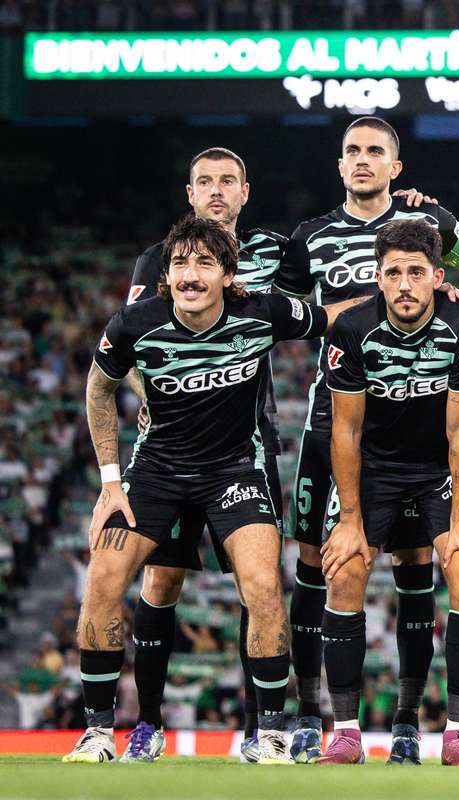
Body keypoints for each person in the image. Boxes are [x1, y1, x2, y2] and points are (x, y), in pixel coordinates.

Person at [62, 216, 357, 764]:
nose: (190, 275)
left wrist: (407, 294)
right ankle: (98, 731)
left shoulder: (262, 313)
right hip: (155, 472)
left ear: (227, 274)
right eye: (179, 263)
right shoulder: (133, 324)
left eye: (204, 263)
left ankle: (270, 734)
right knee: (102, 578)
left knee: (263, 586)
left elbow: (333, 316)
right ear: (166, 275)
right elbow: (98, 389)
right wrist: (109, 481)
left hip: (234, 472)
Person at [273, 116, 459, 764]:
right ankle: (317, 719)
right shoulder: (310, 237)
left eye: (376, 151)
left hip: (427, 440)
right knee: (321, 567)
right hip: (342, 422)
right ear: (340, 163)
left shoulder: (434, 226)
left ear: (397, 166)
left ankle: (413, 723)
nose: (364, 160)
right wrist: (335, 316)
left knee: (424, 570)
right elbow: (281, 314)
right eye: (353, 150)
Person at [121, 146, 284, 764]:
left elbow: (323, 306)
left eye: (227, 181)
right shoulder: (155, 261)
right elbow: (129, 346)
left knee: (256, 582)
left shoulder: (275, 255)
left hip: (246, 443)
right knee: (161, 579)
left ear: (245, 192)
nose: (216, 191)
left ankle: (257, 730)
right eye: (205, 182)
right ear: (189, 194)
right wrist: (154, 395)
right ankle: (148, 725)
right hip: (169, 448)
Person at [317, 220, 459, 766]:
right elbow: (345, 429)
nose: (404, 284)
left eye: (416, 272)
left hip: (439, 468)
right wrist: (350, 520)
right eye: (393, 273)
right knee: (344, 567)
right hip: (374, 468)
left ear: (438, 277)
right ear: (378, 278)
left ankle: (458, 734)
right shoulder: (351, 329)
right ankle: (346, 733)